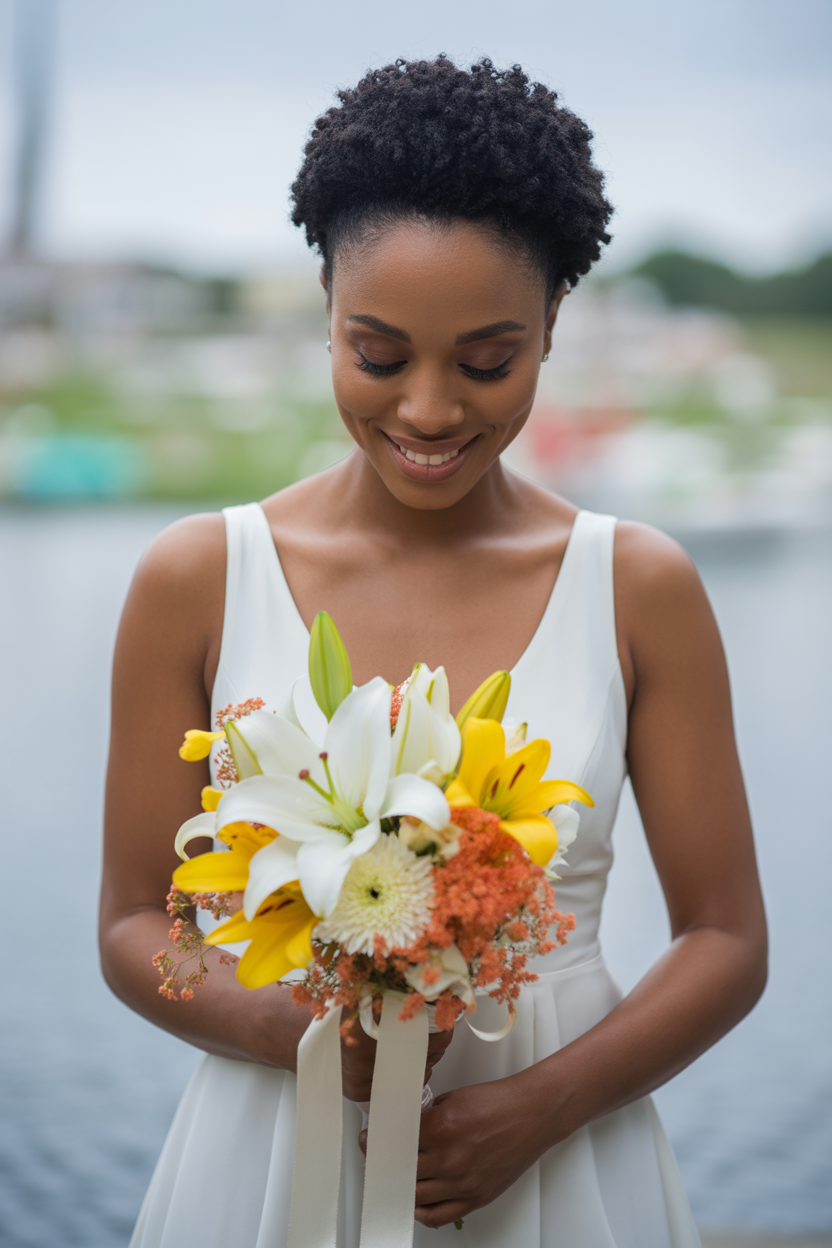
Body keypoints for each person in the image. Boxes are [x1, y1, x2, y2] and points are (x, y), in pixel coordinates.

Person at [100, 56, 767, 1248]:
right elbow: (135, 930)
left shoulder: (638, 587)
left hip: (560, 1155)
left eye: (486, 360)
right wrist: (303, 1038)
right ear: (324, 306)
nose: (427, 410)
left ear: (553, 324)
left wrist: (543, 1105)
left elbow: (725, 939)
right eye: (378, 353)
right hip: (276, 1147)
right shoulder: (195, 576)